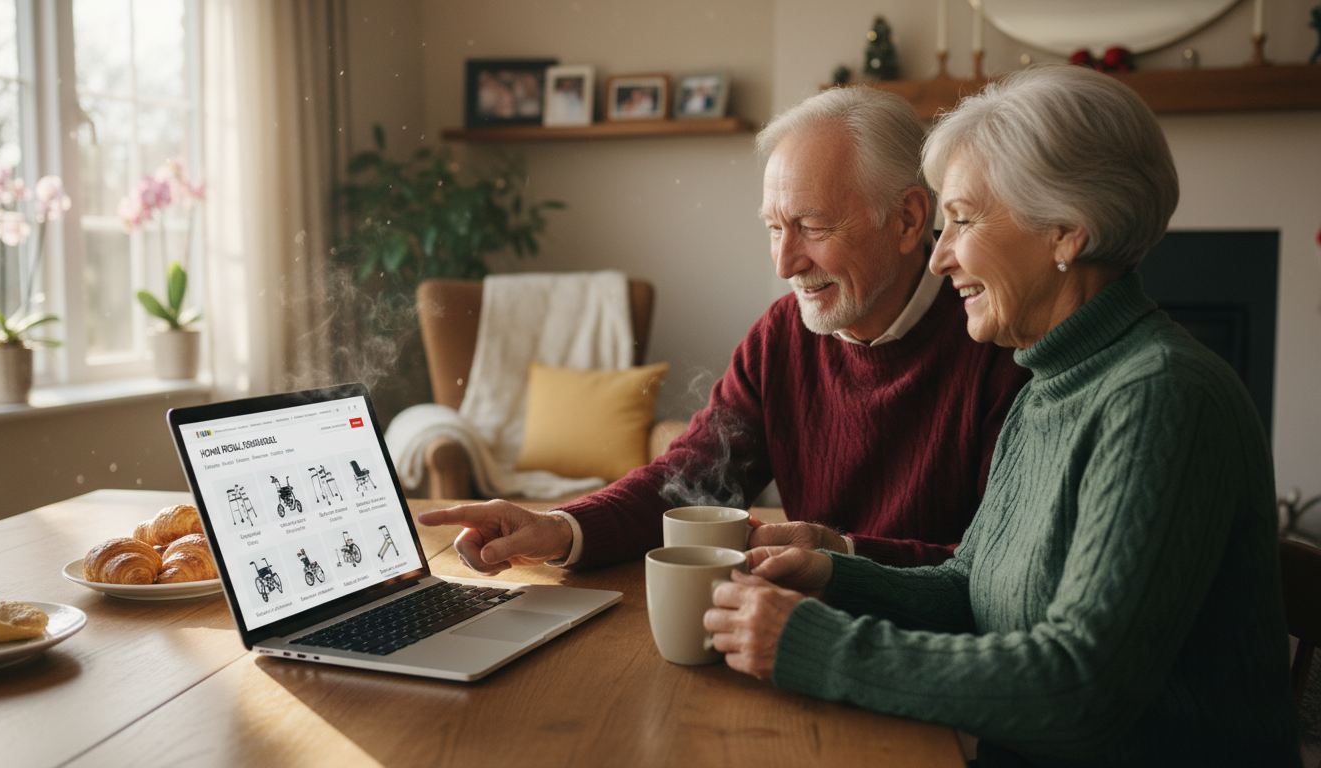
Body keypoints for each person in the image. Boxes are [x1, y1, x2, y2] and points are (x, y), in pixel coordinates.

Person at [704, 65, 1300, 766]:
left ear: (1065, 232)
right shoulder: (1050, 380)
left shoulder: (1162, 396)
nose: (942, 256)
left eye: (961, 218)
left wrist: (816, 645)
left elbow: (1081, 687)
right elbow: (969, 587)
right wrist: (832, 571)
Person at [418, 87, 1029, 573]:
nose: (784, 263)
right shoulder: (783, 336)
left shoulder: (999, 343)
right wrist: (560, 527)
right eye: (773, 227)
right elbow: (687, 483)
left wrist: (841, 555)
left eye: (812, 227)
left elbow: (1000, 573)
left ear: (906, 219)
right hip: (794, 632)